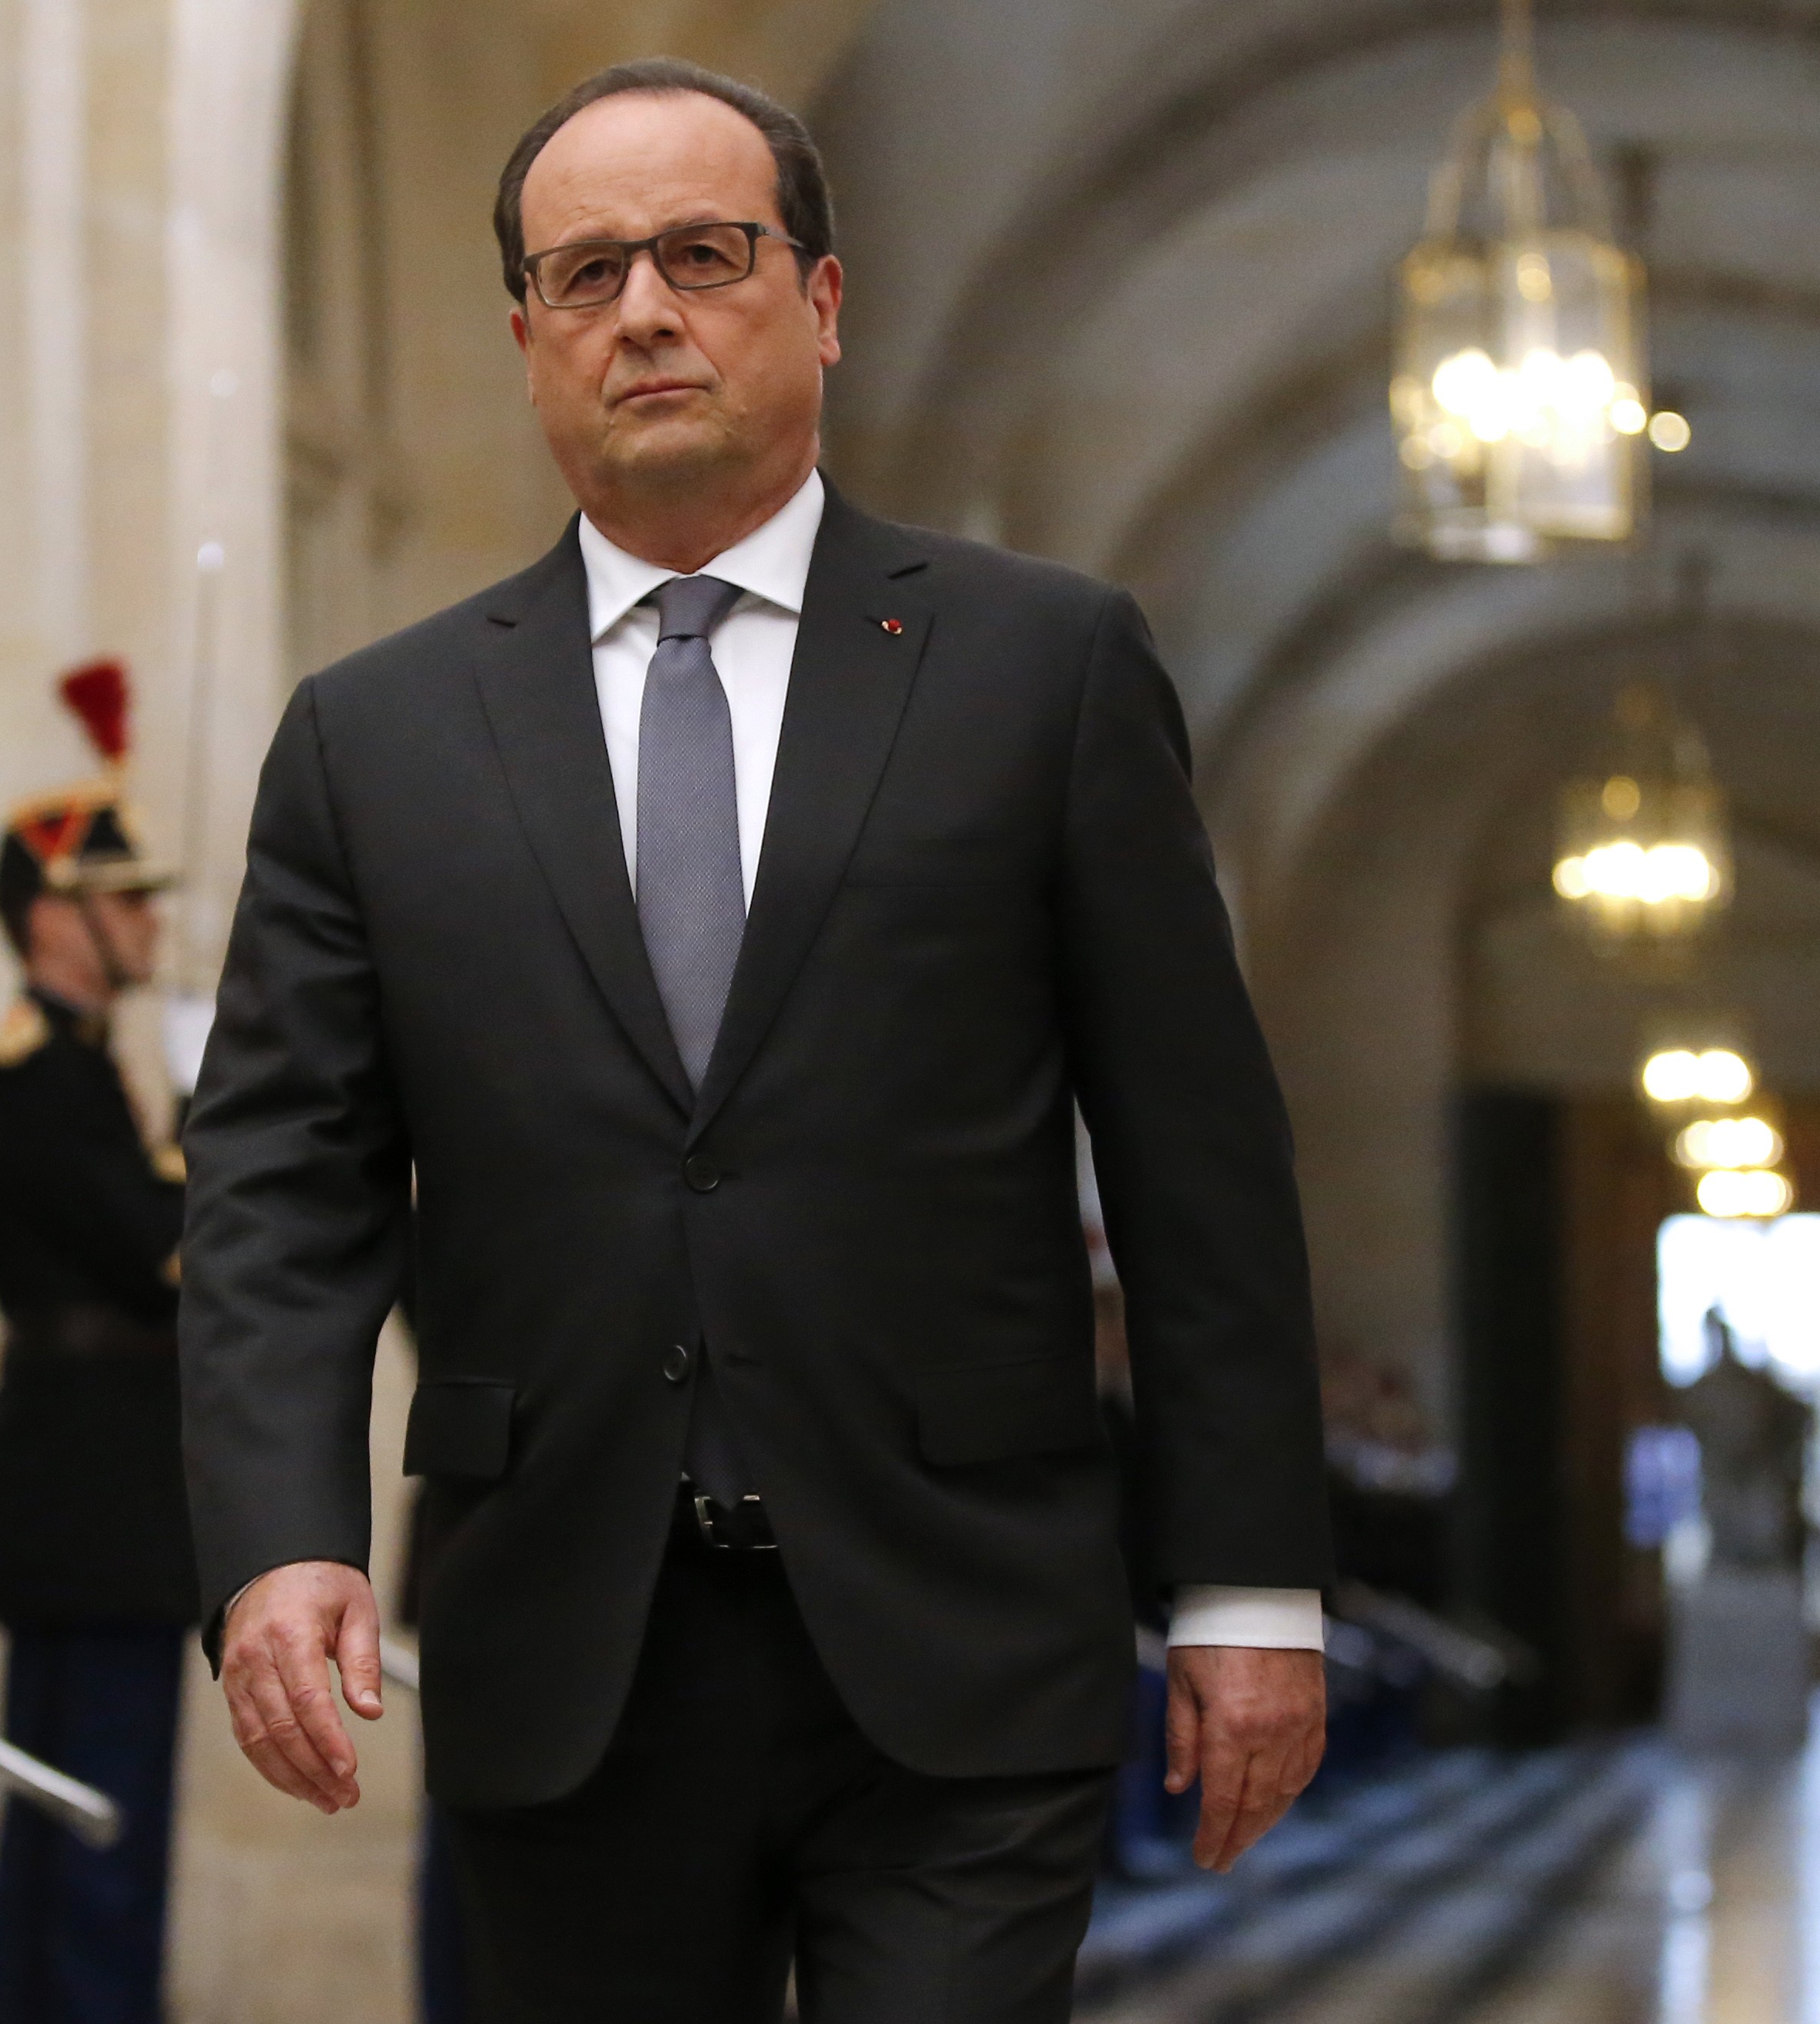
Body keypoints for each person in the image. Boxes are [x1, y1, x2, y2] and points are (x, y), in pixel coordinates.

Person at [178, 61, 1333, 2024]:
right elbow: (281, 1188)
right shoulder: (372, 743)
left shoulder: (1038, 668)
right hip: (566, 1642)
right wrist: (278, 1539)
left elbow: (1194, 1160)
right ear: (528, 334)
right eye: (587, 272)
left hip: (961, 1631)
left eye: (703, 257)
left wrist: (1245, 1585)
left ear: (820, 302)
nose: (644, 312)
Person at [0, 661, 200, 2024]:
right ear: (55, 918)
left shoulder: (92, 1078)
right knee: (89, 1836)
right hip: (85, 1491)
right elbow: (168, 1251)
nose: (150, 920)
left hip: (101, 1494)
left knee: (94, 1825)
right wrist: (218, 1118)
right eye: (124, 899)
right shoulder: (36, 1086)